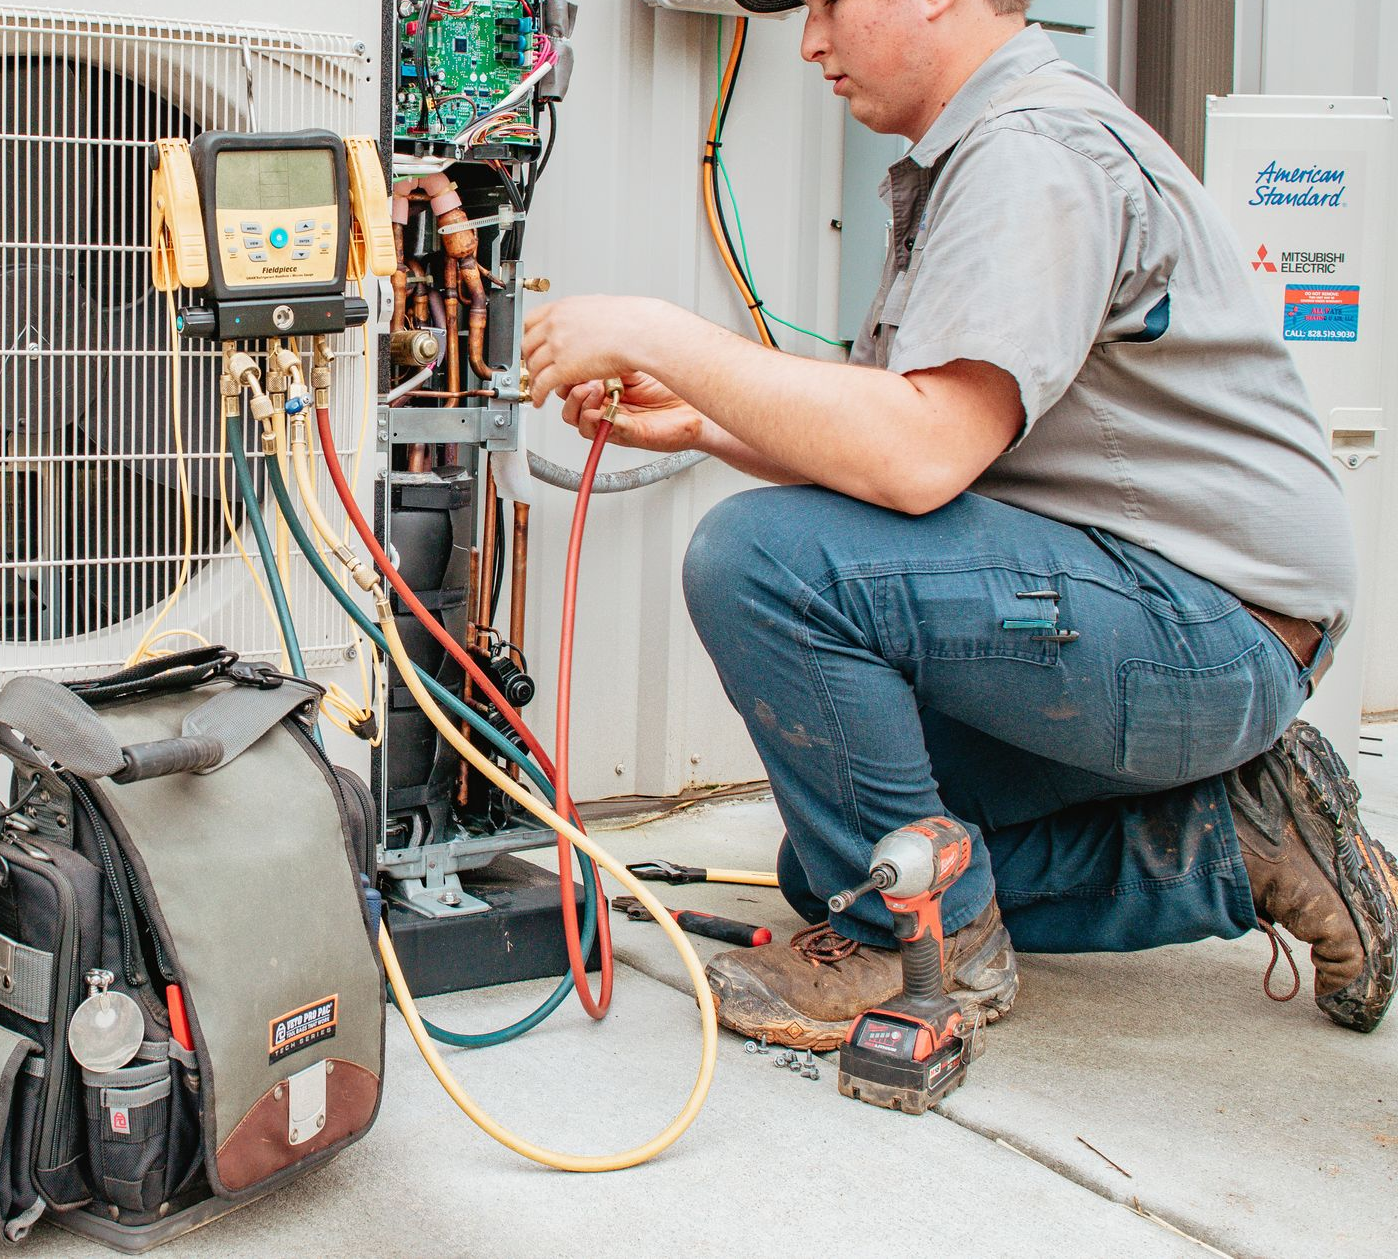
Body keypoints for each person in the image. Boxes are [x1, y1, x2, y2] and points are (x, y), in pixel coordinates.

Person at [522, 0, 1397, 1047]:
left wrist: (659, 334)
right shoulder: (985, 150)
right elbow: (894, 432)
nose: (810, 44)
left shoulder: (1034, 151)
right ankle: (1241, 842)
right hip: (1165, 622)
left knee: (759, 556)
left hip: (1204, 632)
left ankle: (936, 952)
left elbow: (918, 454)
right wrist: (706, 421)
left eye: (831, 6)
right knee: (843, 864)